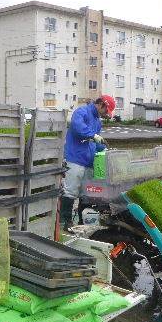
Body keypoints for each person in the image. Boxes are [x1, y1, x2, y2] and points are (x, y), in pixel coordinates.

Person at [60, 95, 115, 229]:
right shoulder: (82, 112)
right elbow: (77, 127)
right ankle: (65, 222)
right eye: (105, 111)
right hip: (75, 158)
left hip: (88, 160)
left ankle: (82, 222)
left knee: (87, 193)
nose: (105, 115)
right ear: (101, 104)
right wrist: (93, 135)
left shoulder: (97, 121)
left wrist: (105, 149)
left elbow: (94, 143)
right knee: (70, 190)